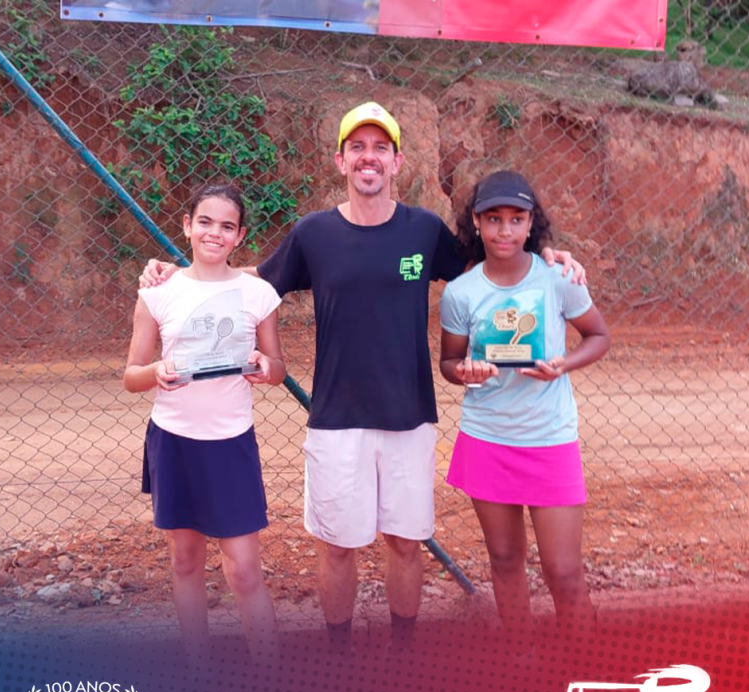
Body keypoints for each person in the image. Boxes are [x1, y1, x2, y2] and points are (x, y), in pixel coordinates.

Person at [139, 102, 585, 658]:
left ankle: (402, 656)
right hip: (336, 418)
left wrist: (545, 253)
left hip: (409, 415)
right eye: (357, 148)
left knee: (405, 544)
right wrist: (180, 273)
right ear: (341, 160)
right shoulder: (314, 233)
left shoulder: (423, 230)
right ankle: (339, 656)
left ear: (396, 161)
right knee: (337, 547)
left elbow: (491, 261)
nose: (368, 158)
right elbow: (251, 278)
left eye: (379, 148)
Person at [439, 170, 610, 656]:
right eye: (494, 219)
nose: (505, 230)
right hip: (488, 437)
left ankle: (585, 668)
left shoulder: (557, 278)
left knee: (564, 570)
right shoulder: (461, 292)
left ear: (531, 223)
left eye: (517, 219)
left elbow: (598, 336)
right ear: (476, 223)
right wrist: (466, 372)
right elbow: (449, 362)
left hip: (549, 438)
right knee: (505, 558)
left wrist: (563, 364)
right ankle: (521, 662)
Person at [124, 182, 284, 667]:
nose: (215, 233)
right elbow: (131, 376)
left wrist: (265, 366)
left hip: (230, 443)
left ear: (240, 236)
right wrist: (158, 372)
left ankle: (271, 676)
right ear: (187, 226)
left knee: (245, 569)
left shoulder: (258, 293)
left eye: (227, 226)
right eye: (205, 222)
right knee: (185, 561)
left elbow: (278, 368)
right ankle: (199, 669)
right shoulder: (158, 292)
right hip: (174, 440)